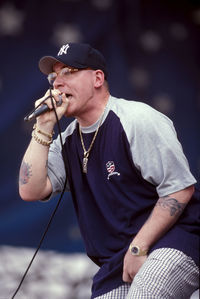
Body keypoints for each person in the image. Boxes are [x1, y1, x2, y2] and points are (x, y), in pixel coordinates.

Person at [19, 42, 199, 299]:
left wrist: (139, 247)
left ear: (97, 78)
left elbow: (180, 190)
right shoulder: (67, 140)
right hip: (117, 259)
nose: (57, 83)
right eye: (53, 76)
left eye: (68, 71)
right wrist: (44, 126)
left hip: (175, 239)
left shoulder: (137, 119)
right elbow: (30, 190)